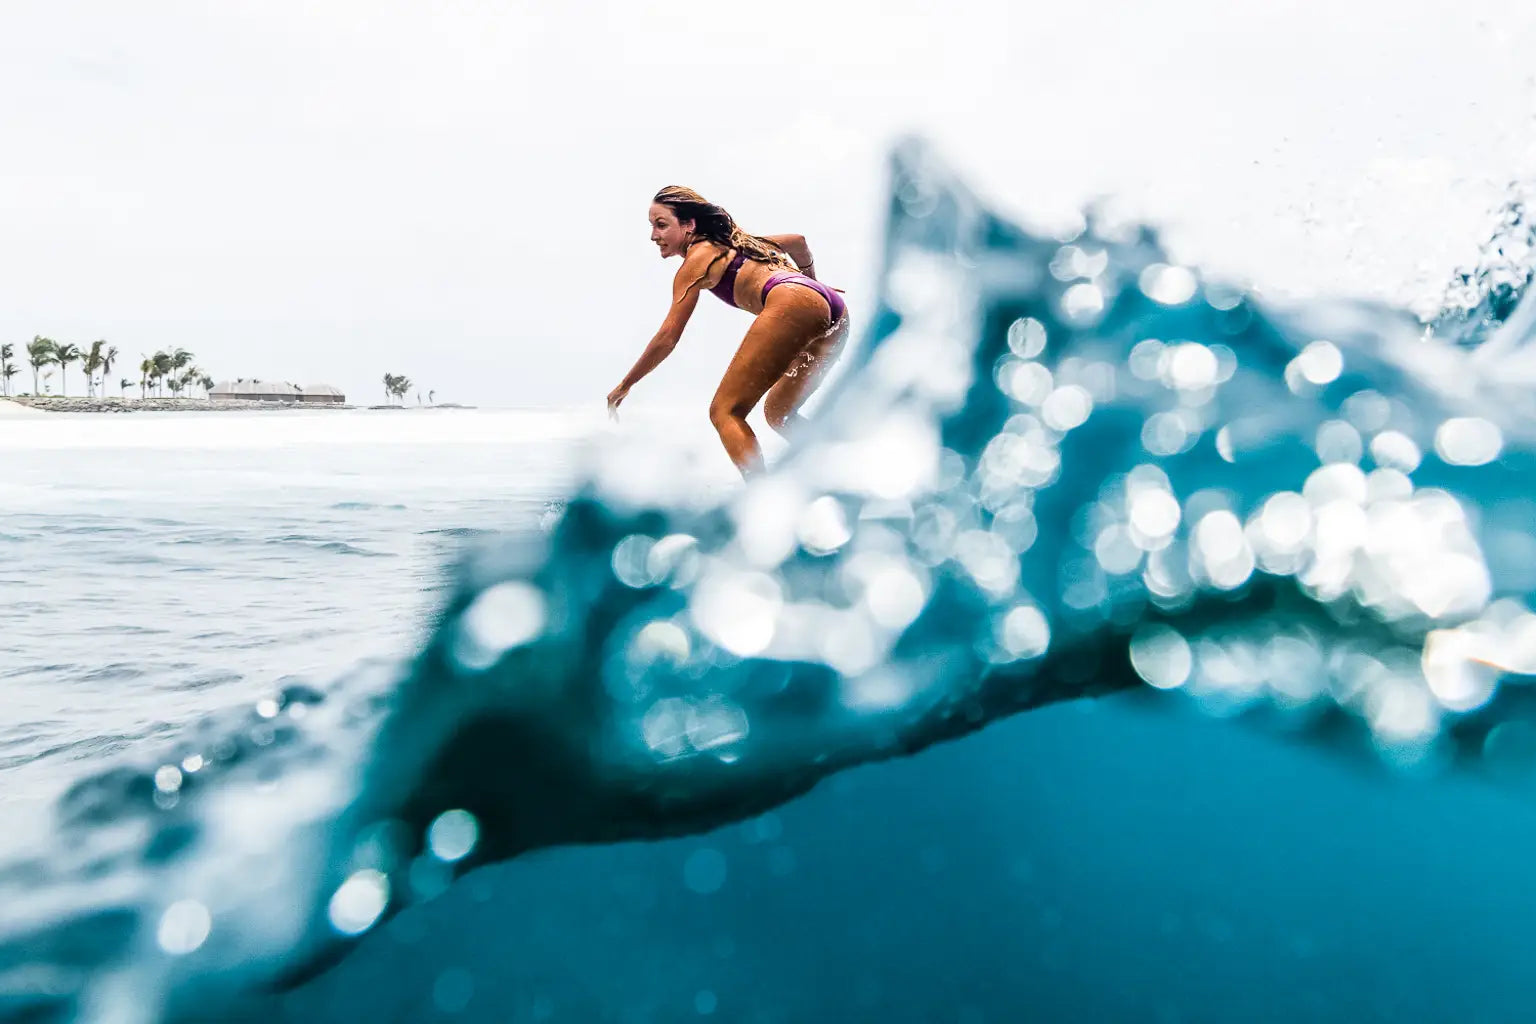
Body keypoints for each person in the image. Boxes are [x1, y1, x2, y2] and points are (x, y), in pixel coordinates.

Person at [607, 186, 849, 476]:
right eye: (652, 226)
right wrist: (813, 287)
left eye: (661, 225)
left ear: (689, 225)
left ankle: (760, 499)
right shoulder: (744, 243)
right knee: (779, 414)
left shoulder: (695, 263)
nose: (653, 236)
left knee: (725, 411)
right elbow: (798, 242)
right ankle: (847, 472)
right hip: (836, 313)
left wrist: (626, 384)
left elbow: (667, 338)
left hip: (792, 302)